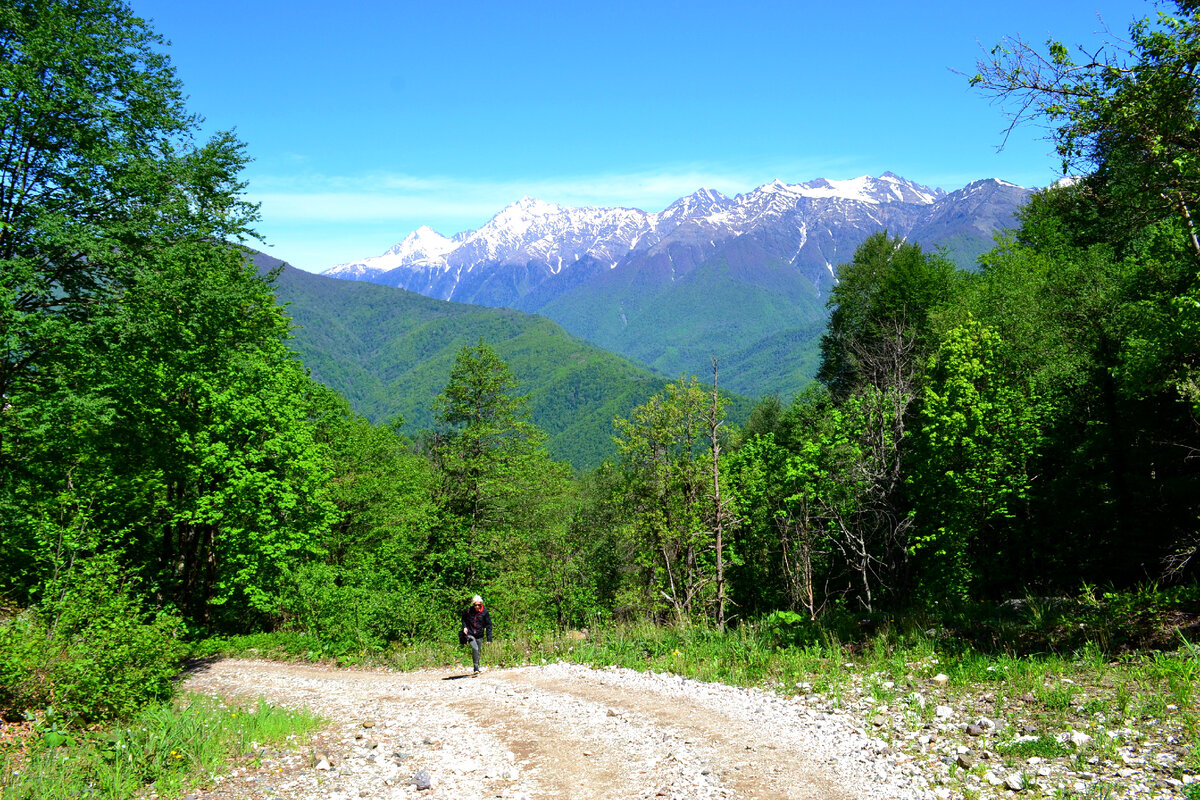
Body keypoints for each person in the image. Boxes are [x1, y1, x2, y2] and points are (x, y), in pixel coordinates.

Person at [460, 594, 492, 674]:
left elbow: (489, 625)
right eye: (475, 605)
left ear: (481, 604)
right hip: (470, 634)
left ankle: (476, 667)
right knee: (475, 648)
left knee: (478, 651)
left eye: (478, 605)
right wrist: (464, 627)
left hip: (480, 634)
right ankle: (476, 668)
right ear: (473, 604)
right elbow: (463, 619)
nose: (477, 606)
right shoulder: (468, 611)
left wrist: (489, 638)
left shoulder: (484, 612)